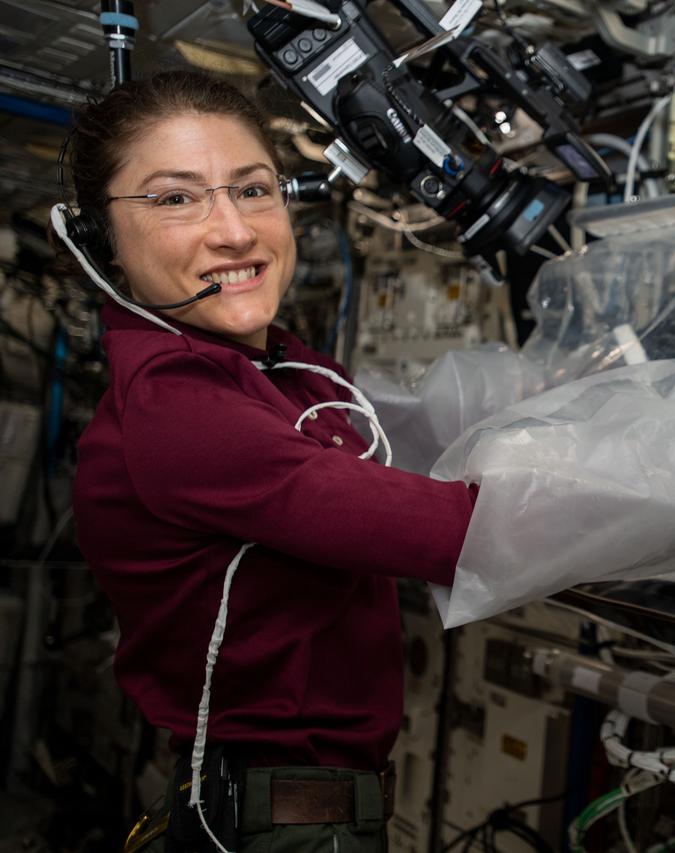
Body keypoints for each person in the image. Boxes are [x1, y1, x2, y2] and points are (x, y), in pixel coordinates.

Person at [58, 70, 476, 852]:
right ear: (100, 240)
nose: (235, 231)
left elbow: (393, 459)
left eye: (253, 189)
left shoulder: (283, 368)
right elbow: (454, 531)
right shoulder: (178, 408)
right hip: (283, 826)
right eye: (176, 198)